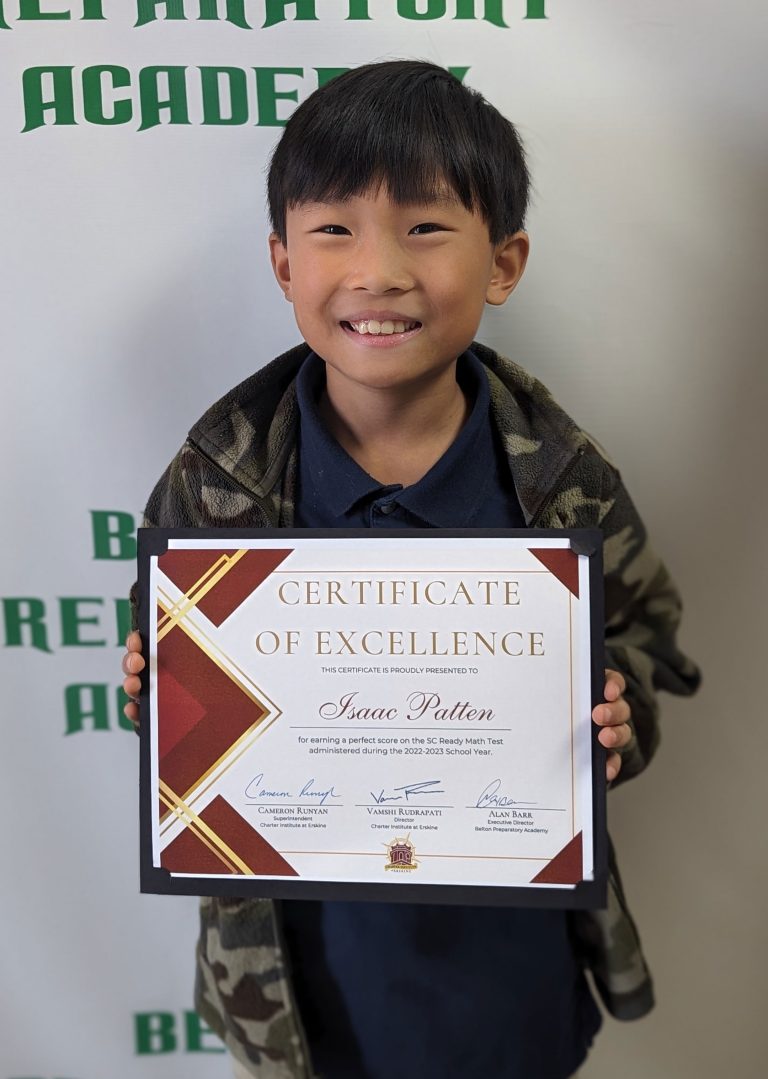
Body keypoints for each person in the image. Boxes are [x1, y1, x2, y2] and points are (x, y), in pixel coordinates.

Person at [122, 60, 700, 1079]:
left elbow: (647, 632)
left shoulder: (563, 480)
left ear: (504, 261)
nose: (378, 269)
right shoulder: (215, 480)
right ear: (281, 262)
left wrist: (623, 709)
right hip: (303, 979)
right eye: (334, 228)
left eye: (426, 228)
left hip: (509, 972)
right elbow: (178, 703)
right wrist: (156, 693)